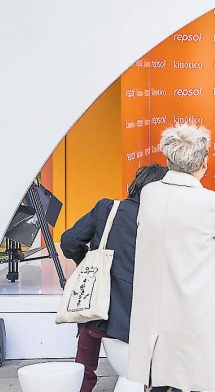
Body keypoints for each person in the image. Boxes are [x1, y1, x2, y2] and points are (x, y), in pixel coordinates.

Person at [128, 125, 215, 392]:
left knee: (159, 375)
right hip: (193, 308)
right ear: (204, 162)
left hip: (155, 306)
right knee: (194, 376)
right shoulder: (209, 202)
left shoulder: (149, 193)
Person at [60, 164, 169, 392]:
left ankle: (83, 386)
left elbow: (69, 242)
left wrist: (87, 260)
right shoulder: (163, 222)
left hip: (97, 311)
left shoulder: (108, 209)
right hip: (138, 320)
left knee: (86, 357)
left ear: (135, 185)